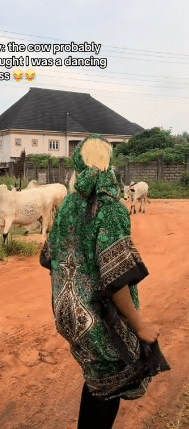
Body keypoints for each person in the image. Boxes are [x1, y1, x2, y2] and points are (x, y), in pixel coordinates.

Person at [40, 135, 170, 429]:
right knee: (110, 382)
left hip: (66, 312)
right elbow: (116, 277)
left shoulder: (70, 204)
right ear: (108, 163)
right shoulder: (111, 210)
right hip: (96, 316)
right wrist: (139, 324)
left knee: (97, 377)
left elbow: (50, 257)